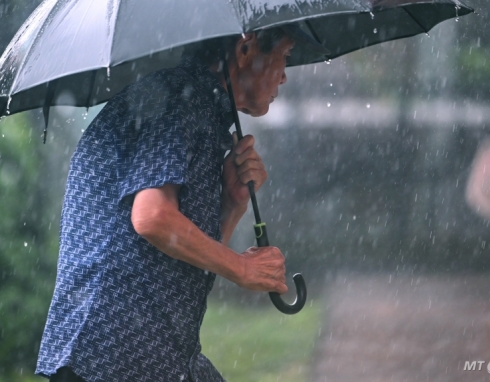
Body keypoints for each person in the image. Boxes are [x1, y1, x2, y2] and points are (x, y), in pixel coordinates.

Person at [35, 24, 327, 382]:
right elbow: (152, 218)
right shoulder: (178, 100)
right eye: (283, 55)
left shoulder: (197, 106)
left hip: (146, 353)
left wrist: (232, 202)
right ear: (245, 47)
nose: (284, 76)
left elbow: (182, 257)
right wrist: (242, 268)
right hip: (110, 354)